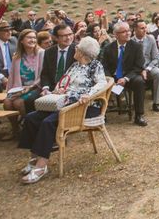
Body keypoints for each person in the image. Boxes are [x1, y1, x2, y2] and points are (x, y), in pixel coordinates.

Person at [18, 36, 106, 184]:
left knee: (48, 122)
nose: (75, 48)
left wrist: (88, 95)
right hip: (64, 103)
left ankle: (41, 166)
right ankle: (34, 157)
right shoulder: (75, 65)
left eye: (77, 47)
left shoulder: (95, 66)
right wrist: (55, 91)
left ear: (83, 52)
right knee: (31, 117)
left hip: (83, 107)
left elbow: (102, 83)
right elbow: (63, 82)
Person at [101, 22, 148, 126]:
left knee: (140, 82)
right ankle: (101, 115)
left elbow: (138, 66)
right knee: (101, 84)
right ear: (116, 34)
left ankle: (139, 115)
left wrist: (126, 78)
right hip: (113, 78)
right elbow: (104, 66)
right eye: (124, 31)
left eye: (128, 30)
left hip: (129, 77)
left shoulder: (136, 46)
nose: (128, 33)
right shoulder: (108, 48)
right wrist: (110, 80)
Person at [3, 29, 45, 139]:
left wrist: (30, 87)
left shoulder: (41, 53)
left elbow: (43, 75)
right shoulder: (17, 56)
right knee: (7, 103)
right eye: (29, 37)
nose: (32, 40)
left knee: (18, 103)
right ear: (21, 40)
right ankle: (15, 130)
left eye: (34, 38)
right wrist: (11, 91)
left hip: (36, 86)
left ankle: (29, 129)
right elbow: (12, 75)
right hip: (19, 87)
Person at [132, 19, 159, 112]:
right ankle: (135, 103)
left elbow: (155, 58)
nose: (145, 30)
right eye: (142, 28)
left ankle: (156, 103)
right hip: (136, 69)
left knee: (158, 73)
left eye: (145, 27)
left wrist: (147, 69)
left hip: (149, 67)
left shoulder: (151, 39)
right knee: (137, 79)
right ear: (135, 29)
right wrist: (140, 70)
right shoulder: (130, 41)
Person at [39, 24, 76, 95]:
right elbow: (45, 73)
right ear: (55, 38)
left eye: (70, 34)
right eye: (64, 36)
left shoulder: (77, 50)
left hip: (69, 88)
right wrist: (45, 88)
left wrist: (64, 88)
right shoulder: (49, 51)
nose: (68, 38)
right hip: (52, 88)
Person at [0, 20, 18, 93]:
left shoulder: (13, 40)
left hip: (13, 71)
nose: (9, 32)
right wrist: (2, 77)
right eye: (6, 31)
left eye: (10, 30)